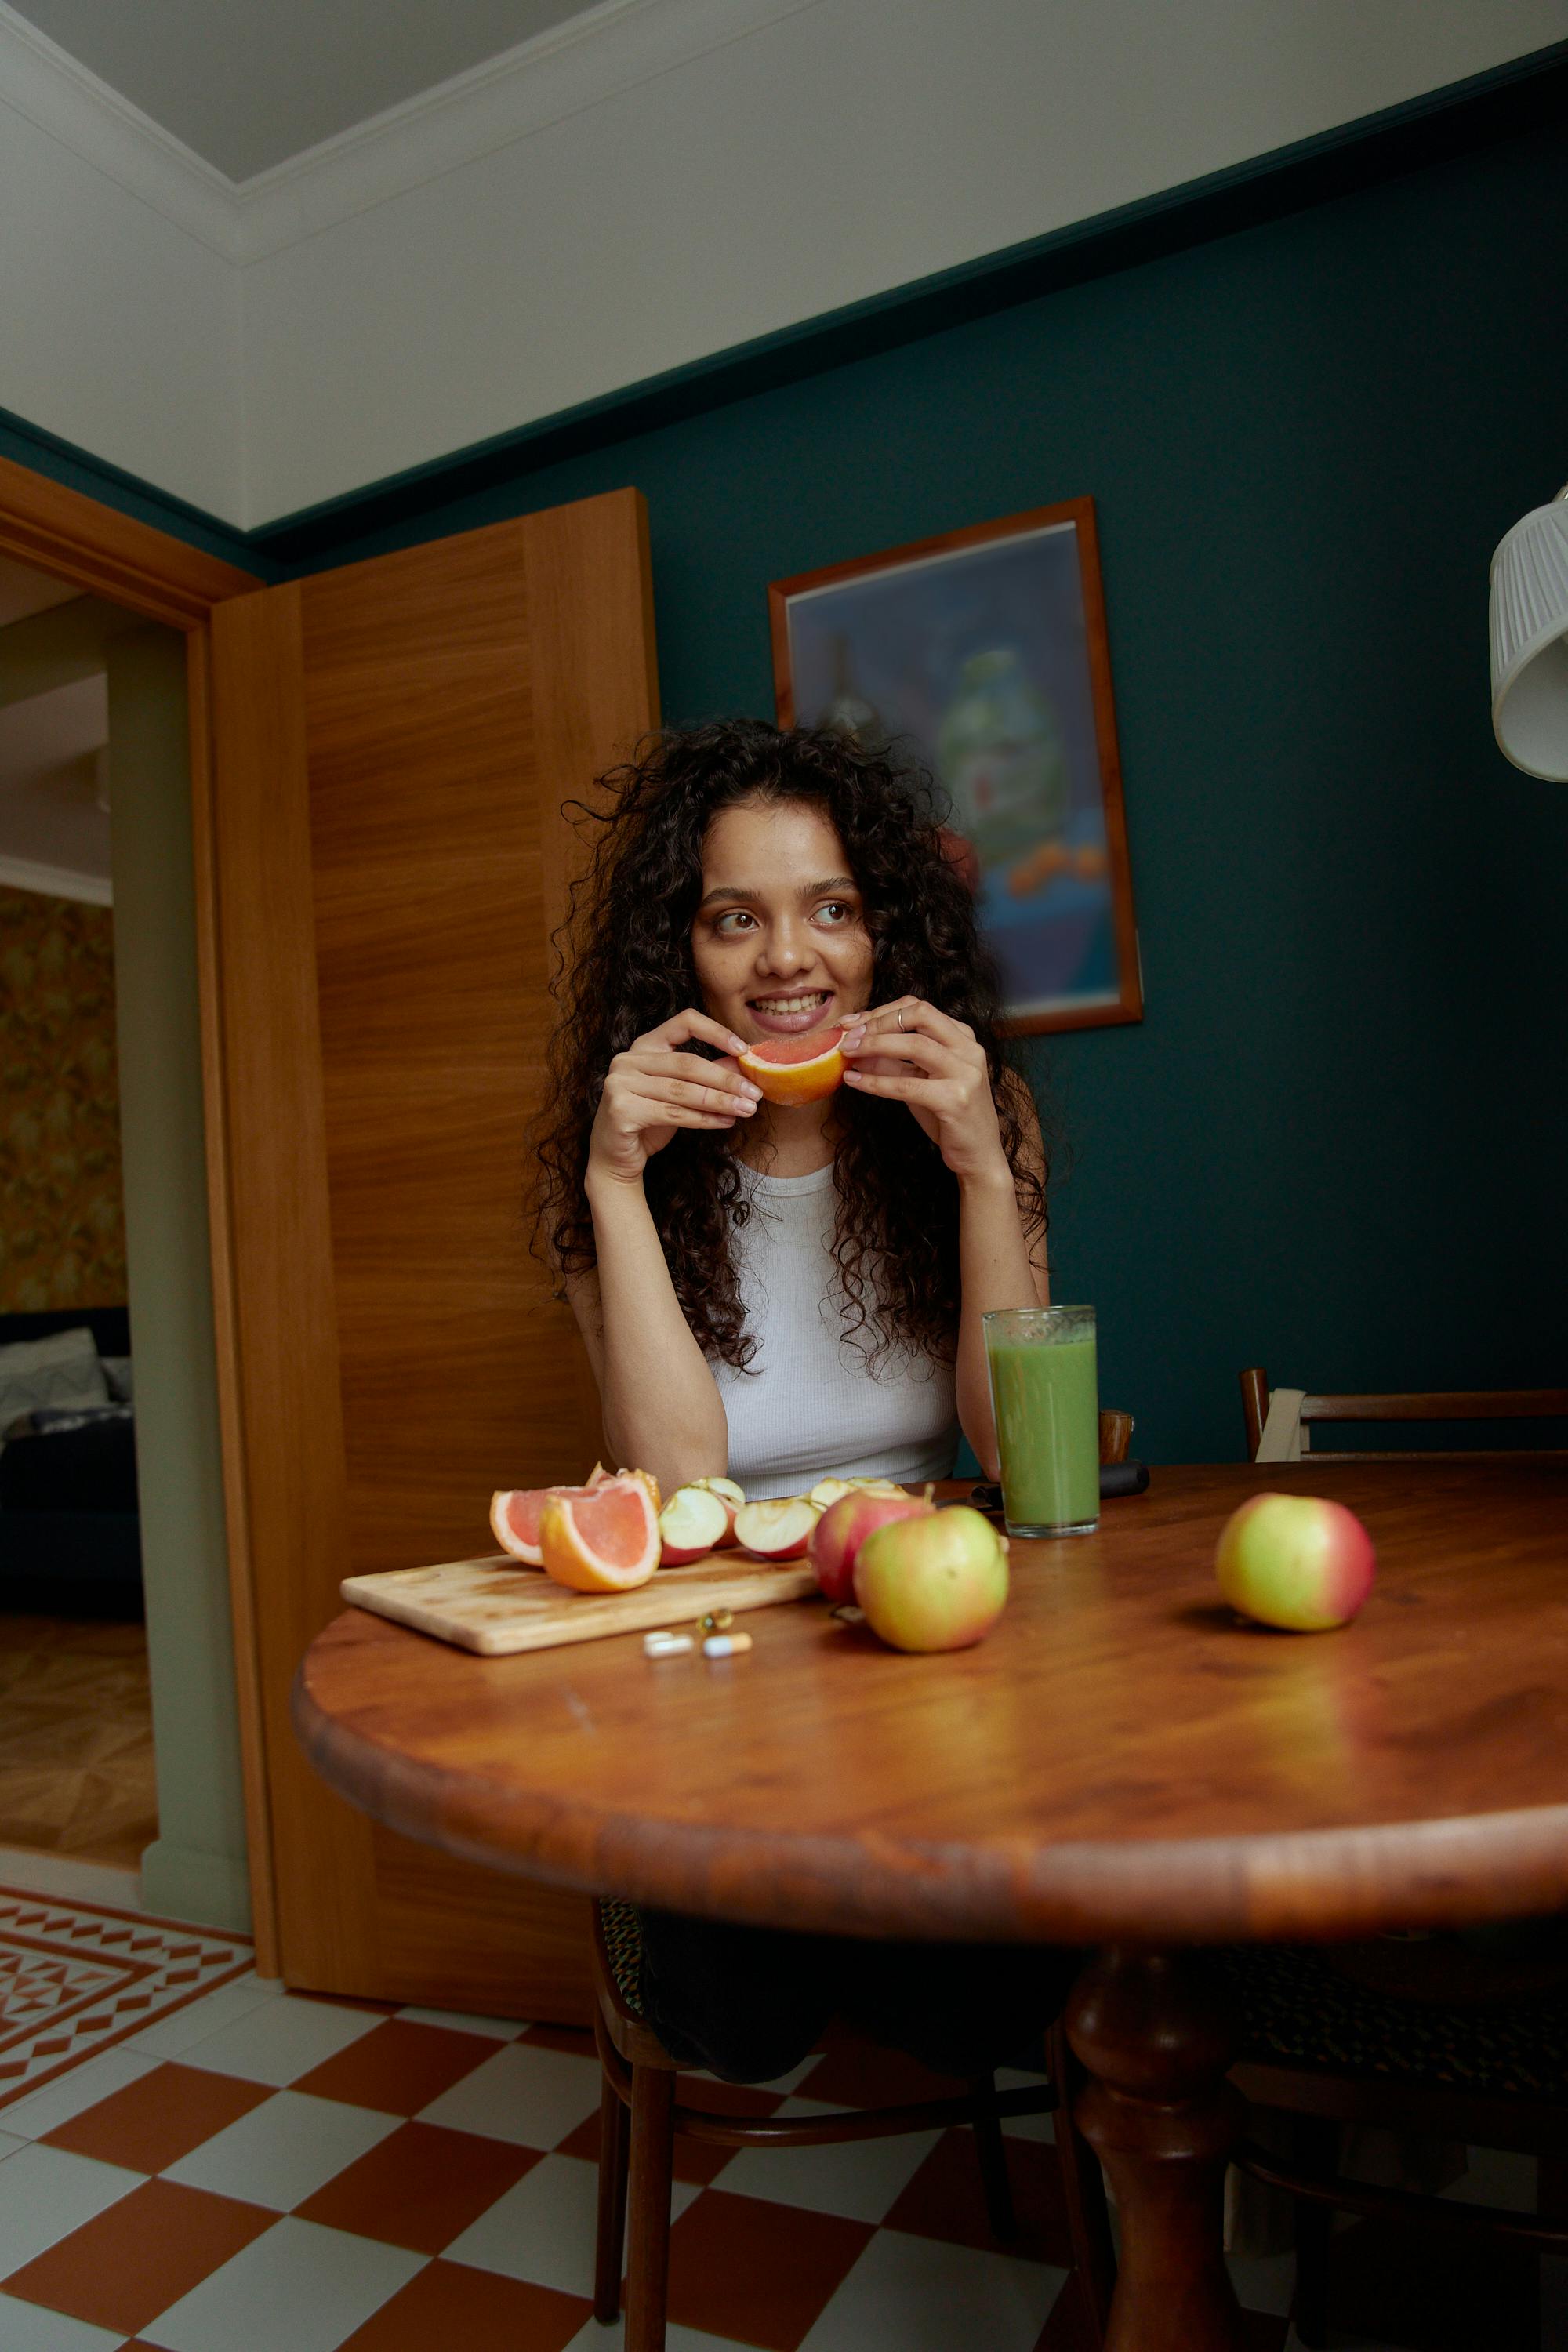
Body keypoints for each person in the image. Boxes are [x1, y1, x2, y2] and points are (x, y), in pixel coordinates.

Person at [533, 717, 1074, 2080]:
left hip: (932, 1661)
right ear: (683, 952)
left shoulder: (981, 1116)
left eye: (831, 907)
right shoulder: (620, 1166)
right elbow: (679, 1483)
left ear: (883, 932)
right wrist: (609, 1184)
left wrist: (980, 1173)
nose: (789, 958)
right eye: (736, 918)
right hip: (726, 1695)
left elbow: (1017, 1449)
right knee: (738, 2019)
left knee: (994, 2007)